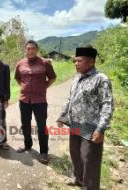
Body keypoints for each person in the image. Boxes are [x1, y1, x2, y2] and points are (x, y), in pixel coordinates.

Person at [57, 46, 114, 189]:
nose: (76, 63)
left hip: (91, 127)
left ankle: (90, 186)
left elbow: (108, 105)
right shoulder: (77, 79)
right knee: (75, 154)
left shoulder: (101, 79)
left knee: (90, 160)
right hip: (75, 124)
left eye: (80, 61)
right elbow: (70, 99)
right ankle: (77, 178)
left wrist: (101, 129)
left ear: (91, 62)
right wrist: (61, 116)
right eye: (75, 61)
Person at [14, 40, 56, 164]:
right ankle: (27, 145)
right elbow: (18, 78)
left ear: (37, 49)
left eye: (32, 48)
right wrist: (24, 88)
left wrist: (44, 87)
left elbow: (52, 77)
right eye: (28, 48)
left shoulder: (45, 63)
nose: (30, 50)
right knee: (25, 124)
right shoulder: (20, 64)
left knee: (41, 126)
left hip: (40, 101)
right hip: (24, 100)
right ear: (25, 50)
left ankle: (44, 152)